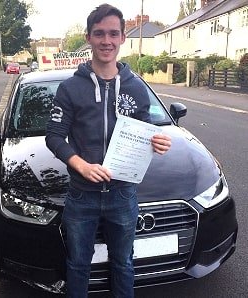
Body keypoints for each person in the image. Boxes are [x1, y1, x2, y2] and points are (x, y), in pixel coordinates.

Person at [45, 3, 171, 297]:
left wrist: (158, 141)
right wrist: (81, 165)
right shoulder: (70, 89)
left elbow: (145, 134)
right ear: (88, 37)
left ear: (123, 38)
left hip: (123, 194)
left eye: (113, 34)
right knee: (78, 264)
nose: (107, 41)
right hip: (81, 195)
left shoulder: (137, 88)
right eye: (99, 33)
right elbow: (54, 137)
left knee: (124, 263)